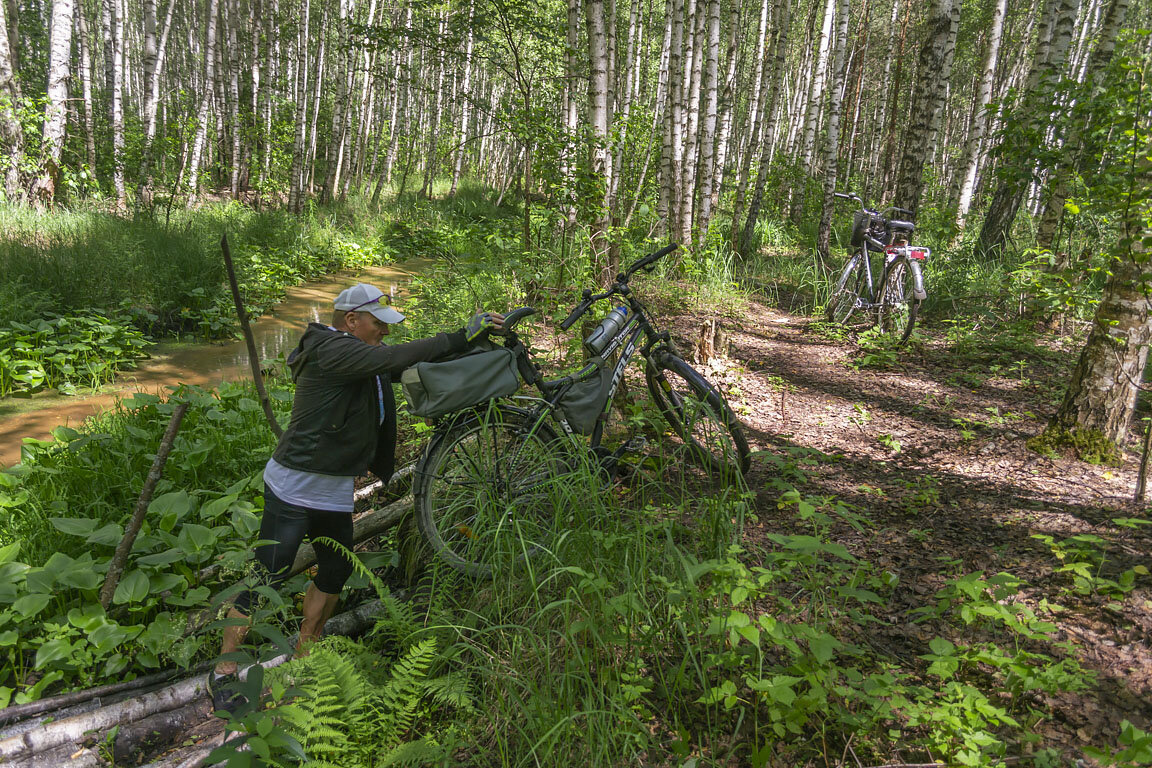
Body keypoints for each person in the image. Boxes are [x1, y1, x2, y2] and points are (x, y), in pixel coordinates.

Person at [208, 282, 503, 711]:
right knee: (265, 577)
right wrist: (456, 335)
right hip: (293, 487)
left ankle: (305, 655)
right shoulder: (331, 350)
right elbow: (391, 357)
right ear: (351, 320)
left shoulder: (362, 359)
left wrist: (474, 346)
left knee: (335, 569)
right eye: (378, 323)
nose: (385, 331)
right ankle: (224, 672)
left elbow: (412, 362)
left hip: (332, 490)